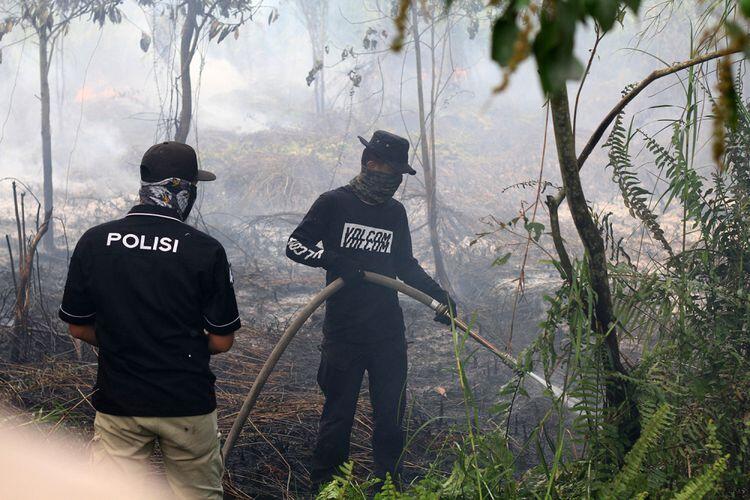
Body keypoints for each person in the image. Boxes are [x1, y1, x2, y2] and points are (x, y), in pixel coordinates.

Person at [59, 141, 241, 500]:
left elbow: (78, 326)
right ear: (182, 189)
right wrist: (177, 347)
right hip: (187, 405)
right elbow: (221, 340)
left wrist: (125, 341)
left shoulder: (95, 242)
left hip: (120, 402)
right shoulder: (204, 250)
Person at [286, 130, 456, 490]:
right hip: (344, 332)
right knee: (338, 416)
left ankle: (388, 485)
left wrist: (439, 296)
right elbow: (295, 245)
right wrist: (330, 259)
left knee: (392, 416)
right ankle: (327, 488)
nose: (393, 179)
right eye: (388, 169)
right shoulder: (333, 203)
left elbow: (405, 265)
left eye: (399, 173)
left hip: (386, 332)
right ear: (369, 163)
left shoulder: (395, 212)